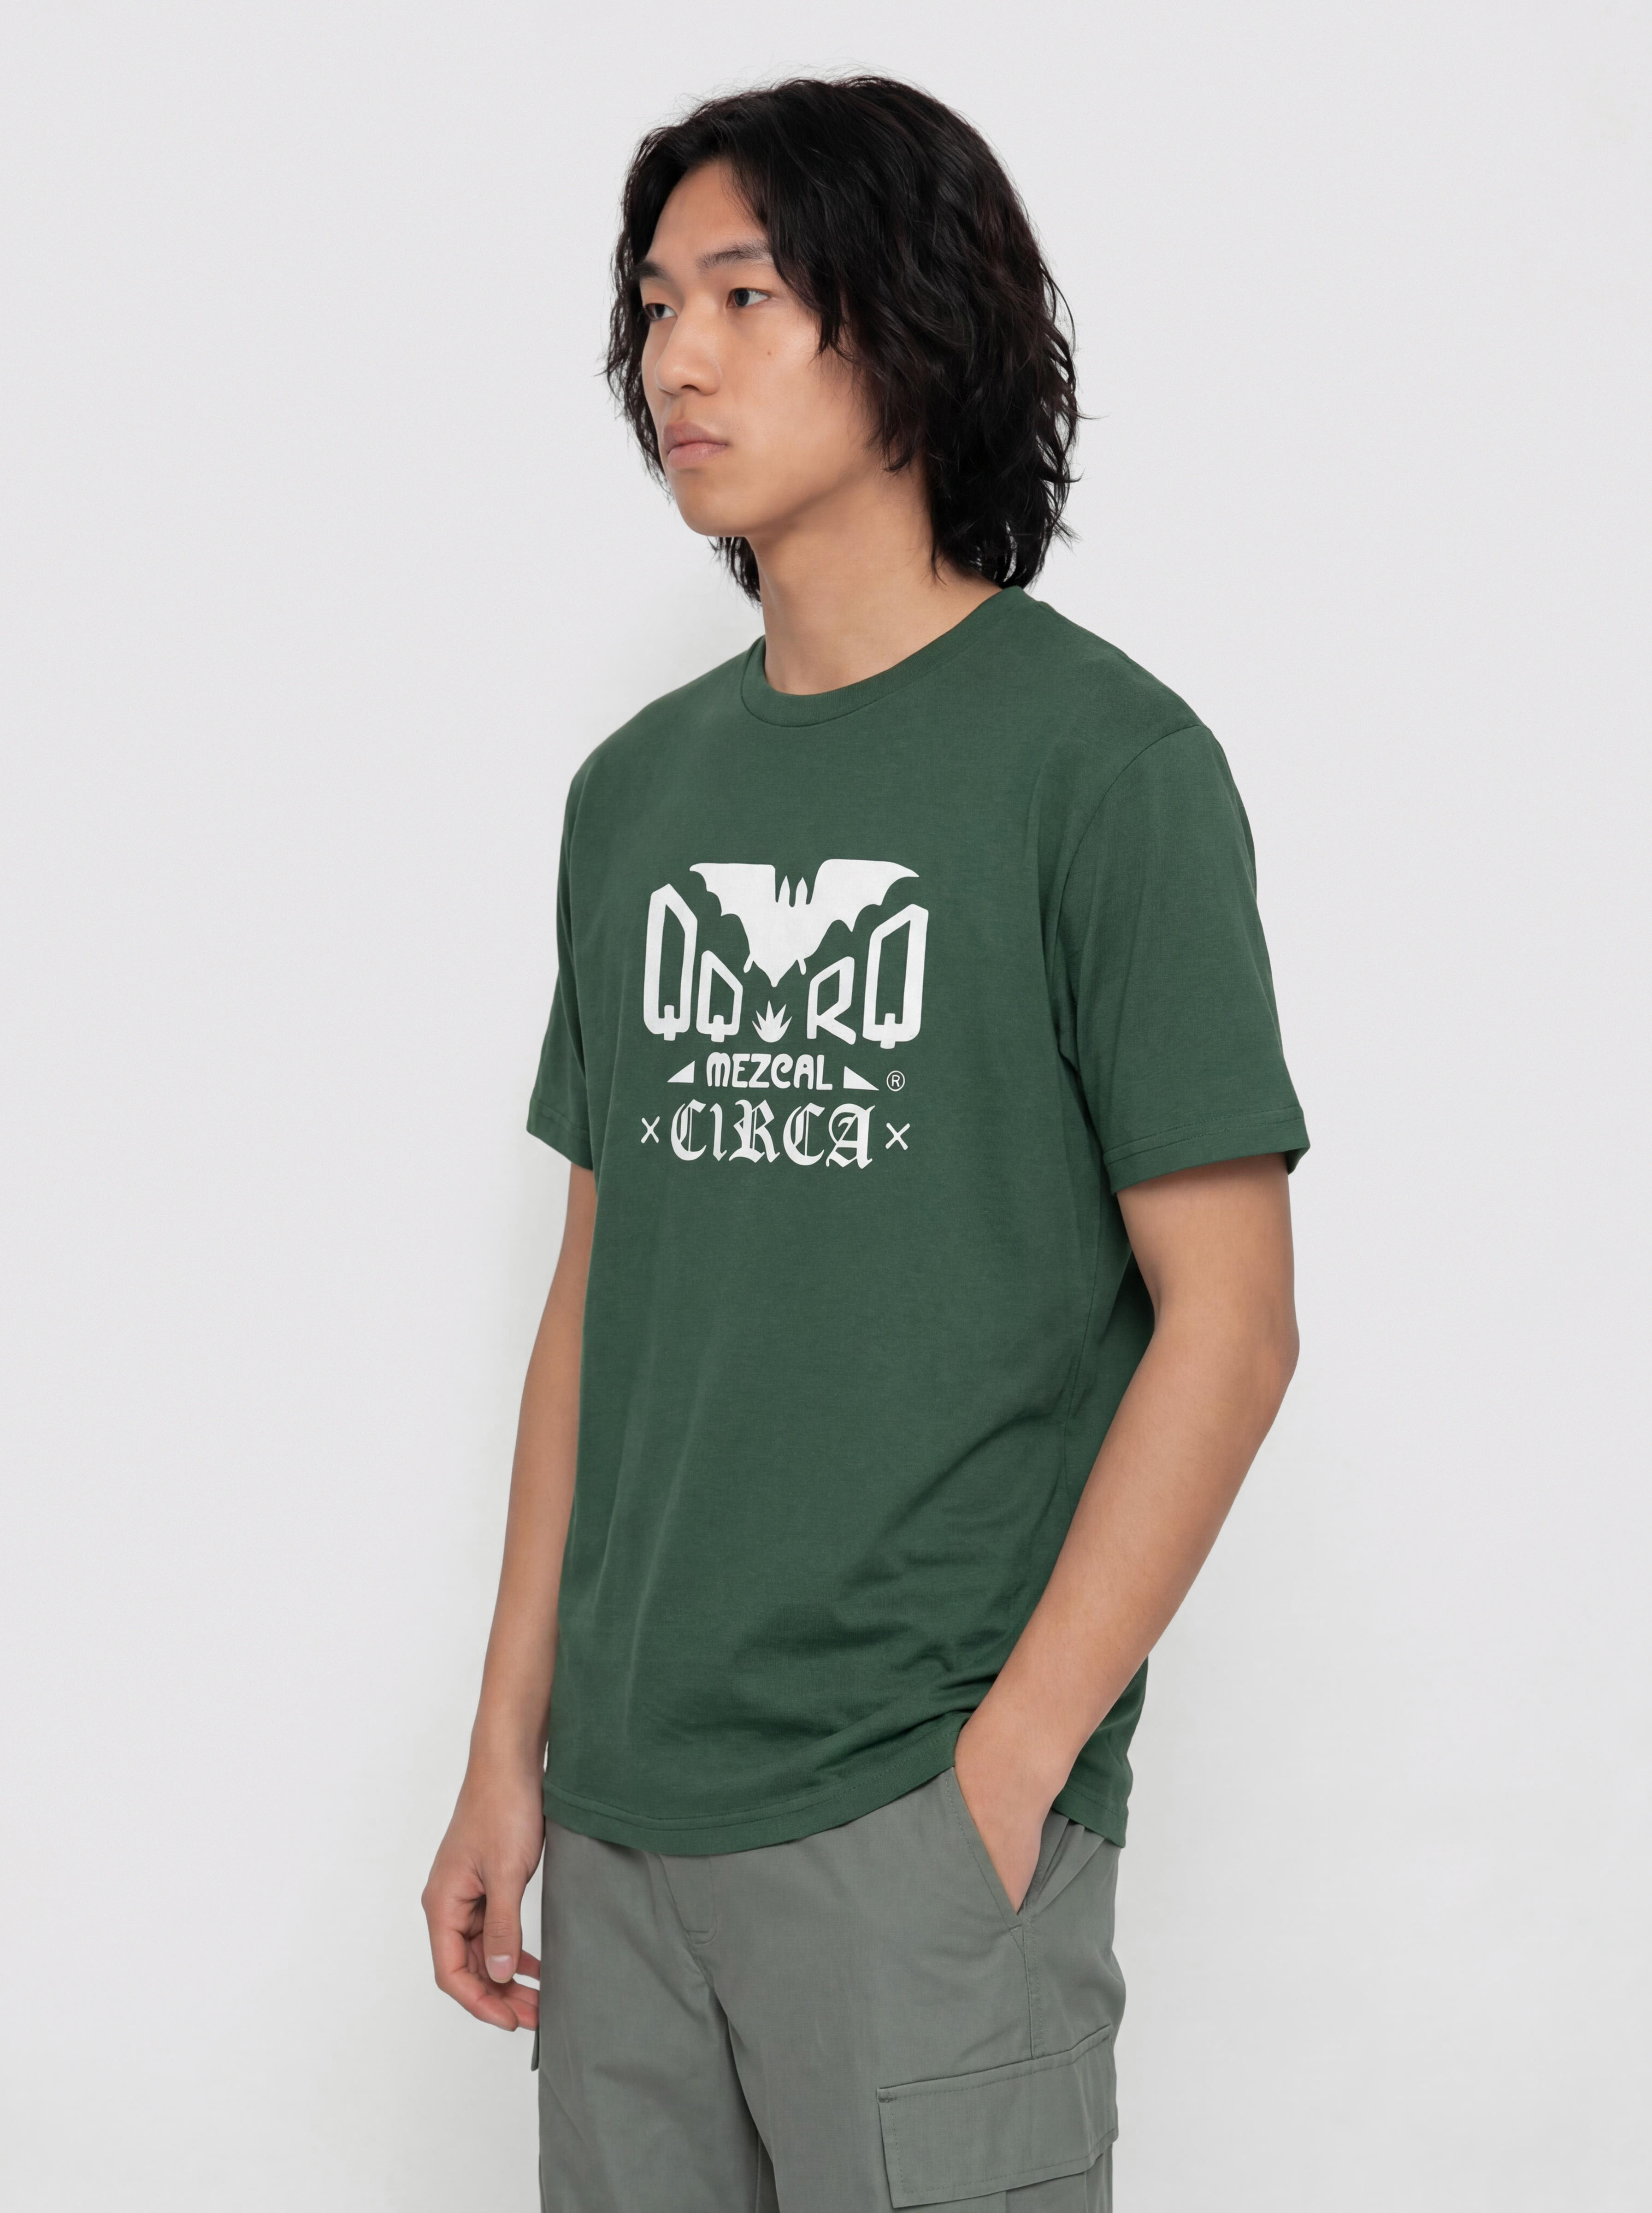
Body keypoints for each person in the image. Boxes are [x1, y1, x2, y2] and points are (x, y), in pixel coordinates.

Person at [422, 73, 1308, 2213]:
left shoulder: (1102, 767)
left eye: (744, 294)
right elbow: (600, 1297)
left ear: (909, 323)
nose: (677, 358)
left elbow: (1229, 1321)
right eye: (655, 304)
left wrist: (1004, 1775)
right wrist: (506, 1750)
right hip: (621, 1823)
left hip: (911, 1819)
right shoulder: (637, 796)